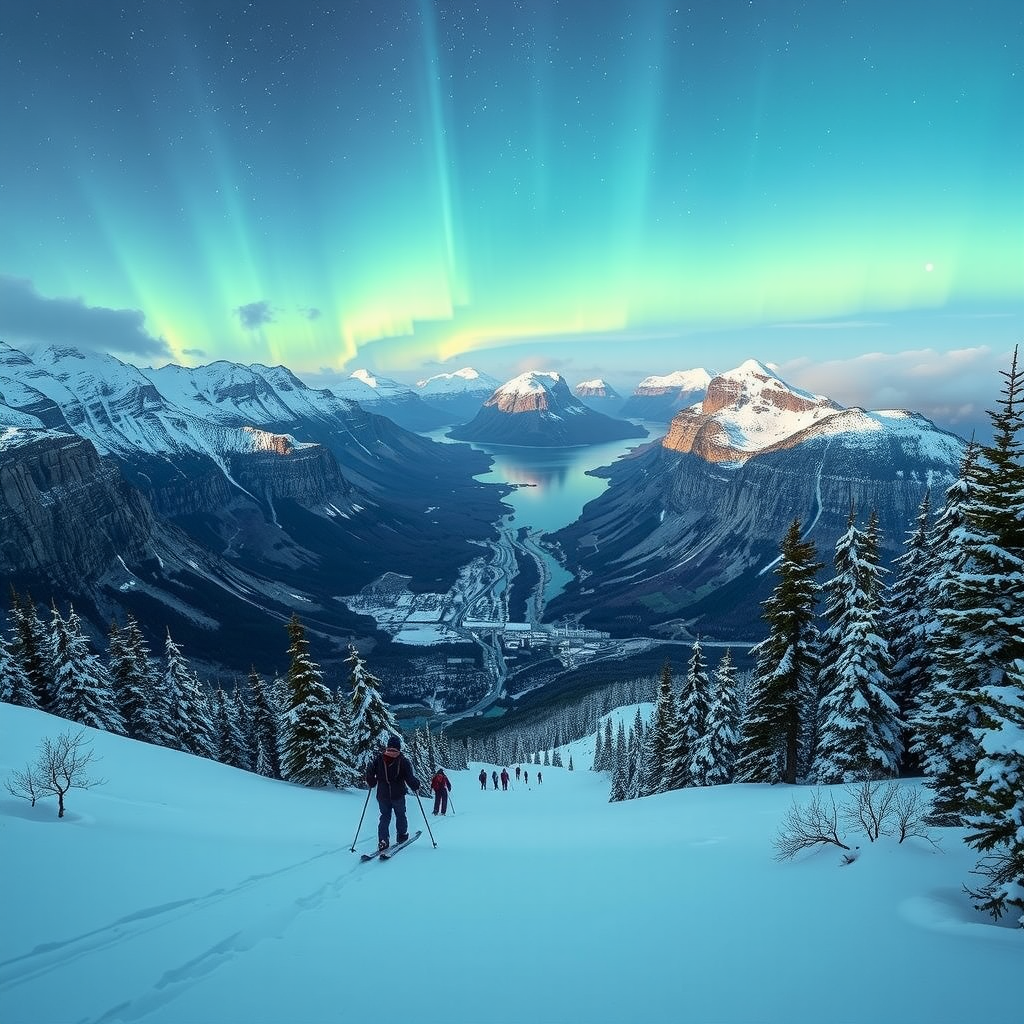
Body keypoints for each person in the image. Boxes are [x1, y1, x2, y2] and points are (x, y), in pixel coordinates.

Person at [365, 733, 421, 851]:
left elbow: (370, 772)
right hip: (398, 795)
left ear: (388, 746)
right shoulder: (403, 761)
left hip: (382, 795)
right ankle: (402, 836)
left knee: (385, 816)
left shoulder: (379, 759)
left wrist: (372, 781)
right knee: (400, 815)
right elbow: (409, 778)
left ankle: (383, 840)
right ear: (399, 747)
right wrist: (416, 785)